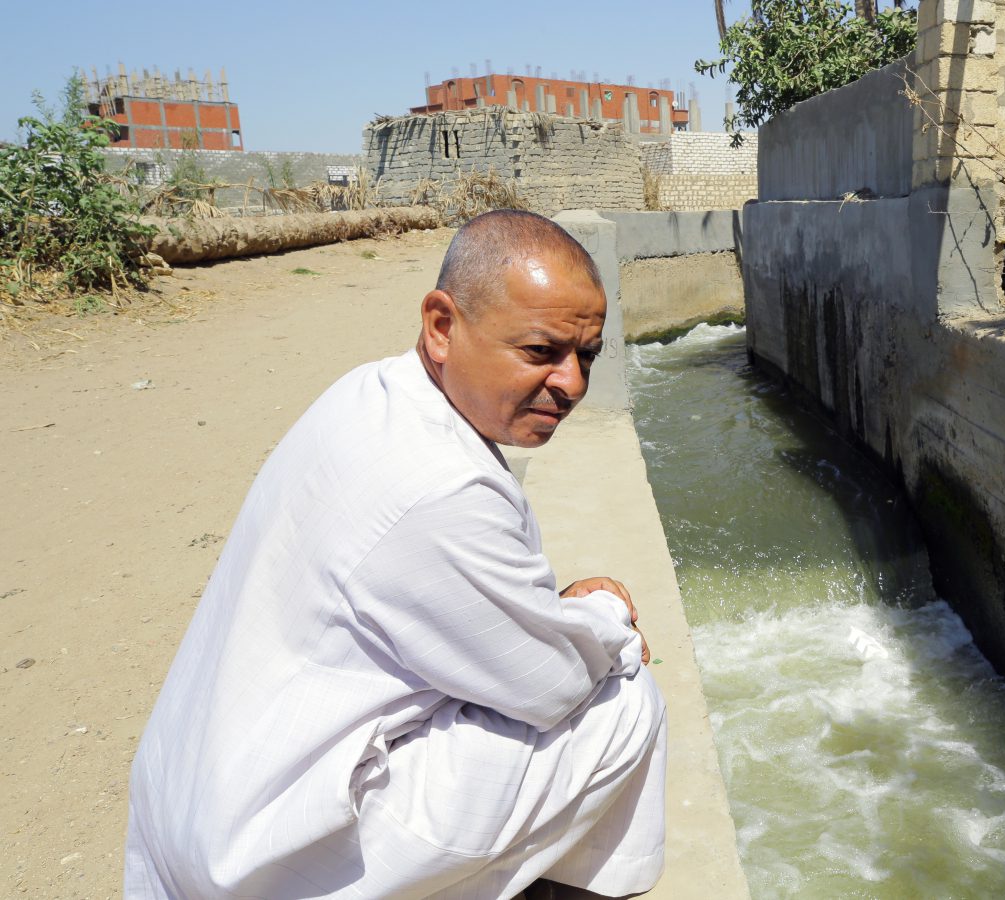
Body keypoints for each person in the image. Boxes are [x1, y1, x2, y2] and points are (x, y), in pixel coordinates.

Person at [124, 210, 666, 899]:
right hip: (262, 858)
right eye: (541, 352)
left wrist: (560, 618)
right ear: (442, 326)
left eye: (584, 356)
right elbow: (552, 684)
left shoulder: (368, 393)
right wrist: (606, 612)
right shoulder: (440, 484)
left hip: (191, 806)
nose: (573, 384)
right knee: (622, 704)